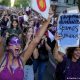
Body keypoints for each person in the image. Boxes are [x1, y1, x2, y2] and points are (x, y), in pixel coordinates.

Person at [0, 16, 50, 80]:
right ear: (7, 47)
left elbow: (35, 41)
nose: (17, 45)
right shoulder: (2, 58)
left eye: (19, 43)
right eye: (14, 43)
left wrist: (47, 21)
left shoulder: (22, 60)